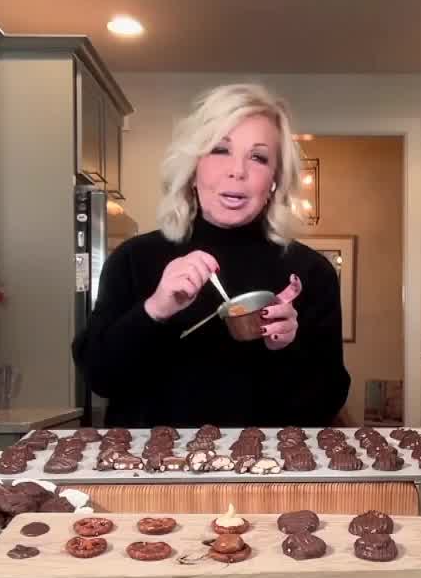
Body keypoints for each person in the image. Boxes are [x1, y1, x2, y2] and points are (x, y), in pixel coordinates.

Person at [72, 83, 351, 428]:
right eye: (220, 150)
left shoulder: (311, 272)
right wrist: (155, 310)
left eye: (258, 157)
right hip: (151, 474)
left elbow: (326, 405)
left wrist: (288, 348)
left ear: (275, 181)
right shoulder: (134, 258)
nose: (238, 171)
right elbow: (100, 379)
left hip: (268, 475)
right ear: (192, 169)